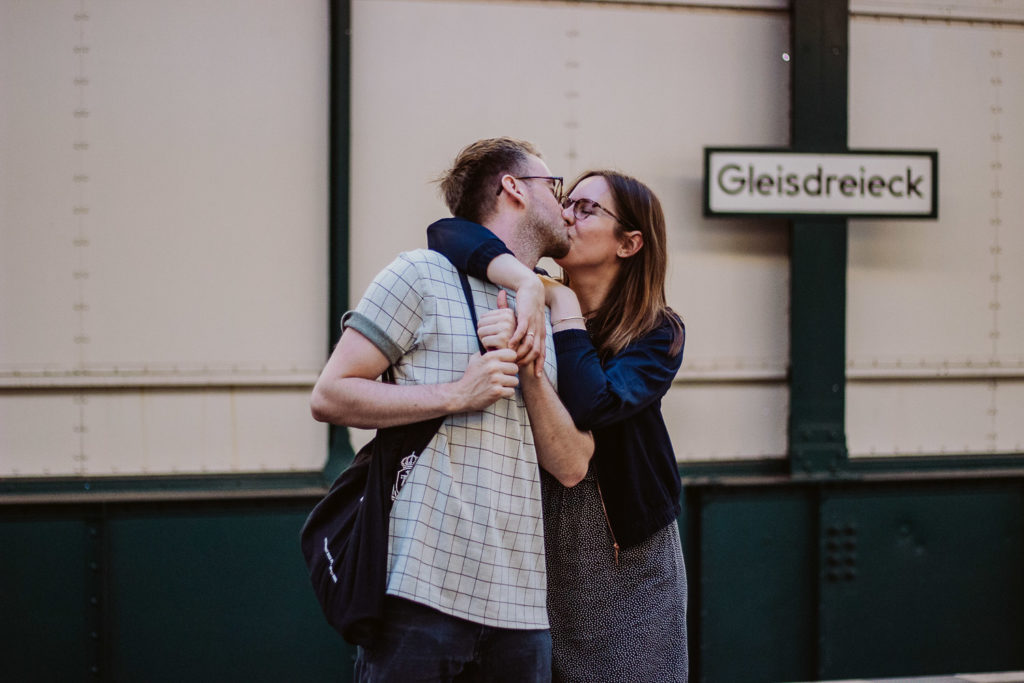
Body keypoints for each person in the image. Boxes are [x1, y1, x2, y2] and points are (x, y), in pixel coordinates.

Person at [309, 137, 593, 682]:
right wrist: (455, 395)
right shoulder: (420, 273)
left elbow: (571, 466)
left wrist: (532, 355)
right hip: (421, 594)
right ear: (513, 188)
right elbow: (330, 395)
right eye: (553, 188)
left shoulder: (553, 312)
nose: (564, 207)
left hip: (524, 609)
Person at [428, 169, 689, 681]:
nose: (566, 214)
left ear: (629, 242)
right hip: (533, 552)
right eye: (567, 200)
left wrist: (563, 303)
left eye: (588, 209)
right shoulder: (531, 296)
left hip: (628, 563)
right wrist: (530, 282)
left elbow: (593, 403)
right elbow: (445, 231)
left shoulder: (658, 330)